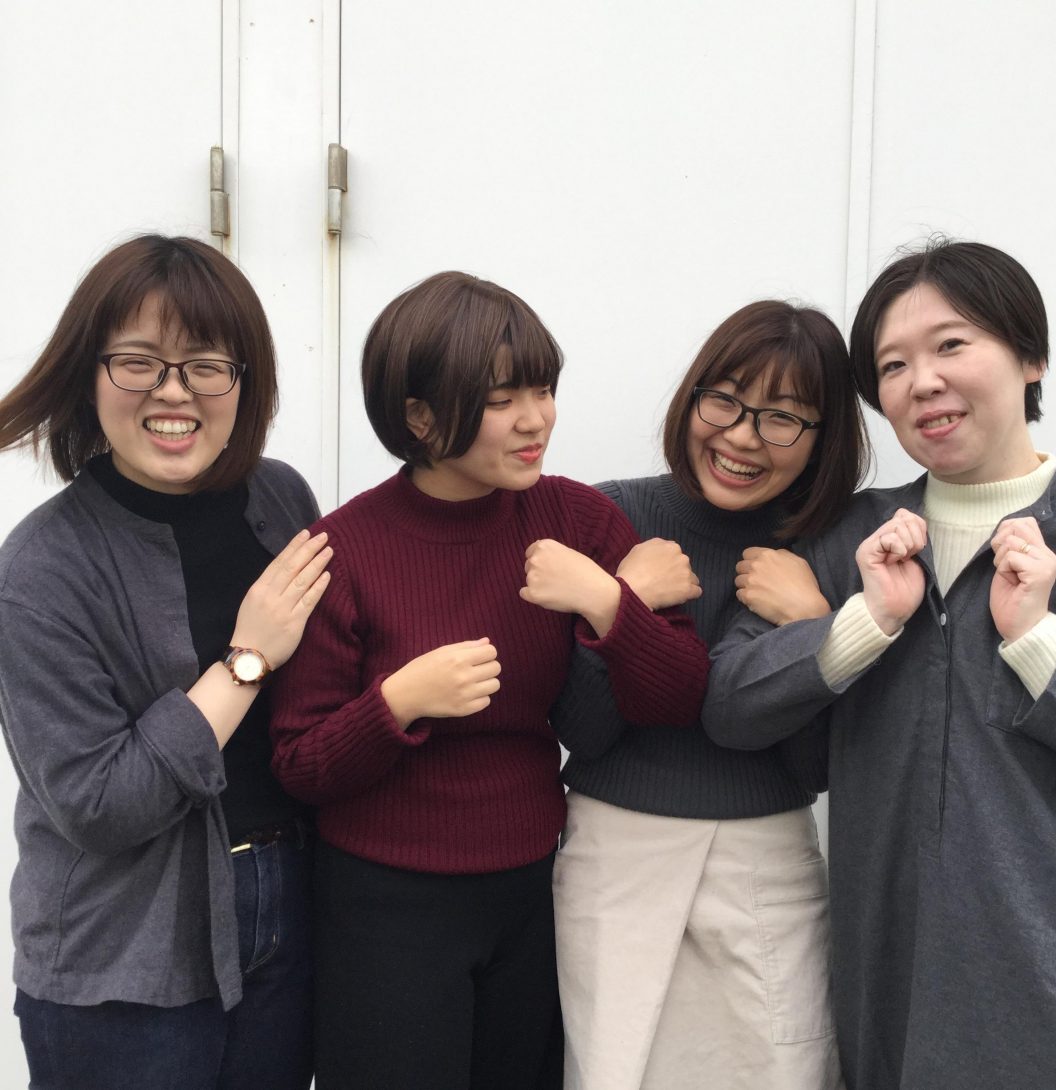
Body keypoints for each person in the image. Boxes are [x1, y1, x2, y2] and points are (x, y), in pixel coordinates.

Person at [269, 270, 709, 1090]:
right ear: (420, 417)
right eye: (503, 399)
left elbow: (679, 695)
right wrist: (398, 703)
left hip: (533, 888)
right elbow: (300, 762)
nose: (536, 419)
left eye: (543, 390)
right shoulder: (346, 549)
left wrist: (608, 602)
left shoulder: (576, 521)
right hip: (382, 904)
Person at [703, 240, 1056, 1089]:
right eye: (892, 365)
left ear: (1031, 357)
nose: (922, 382)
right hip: (882, 991)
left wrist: (1039, 643)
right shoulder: (848, 536)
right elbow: (729, 703)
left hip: (1054, 1000)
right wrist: (860, 623)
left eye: (951, 345)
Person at [0, 235, 332, 1090]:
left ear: (244, 382)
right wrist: (246, 660)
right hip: (123, 959)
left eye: (205, 365)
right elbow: (99, 805)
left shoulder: (281, 498)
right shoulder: (40, 569)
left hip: (288, 913)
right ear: (89, 374)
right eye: (139, 362)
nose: (173, 391)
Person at [550, 300, 867, 1090]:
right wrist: (621, 604)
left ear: (823, 437)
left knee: (785, 1070)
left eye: (782, 417)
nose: (742, 436)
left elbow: (817, 763)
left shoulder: (830, 548)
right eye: (723, 400)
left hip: (767, 862)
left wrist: (815, 626)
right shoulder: (610, 515)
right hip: (613, 856)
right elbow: (584, 729)